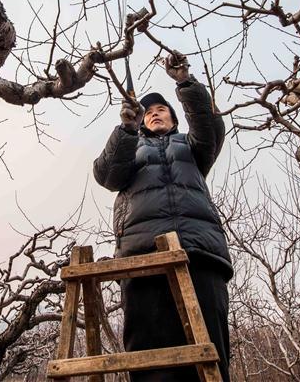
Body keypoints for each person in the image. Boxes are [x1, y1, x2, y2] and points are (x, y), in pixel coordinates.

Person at [93, 53, 232, 381]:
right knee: (151, 361)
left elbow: (211, 127)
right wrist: (126, 129)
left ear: (174, 119)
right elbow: (106, 175)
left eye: (162, 110)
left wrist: (185, 83)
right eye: (149, 112)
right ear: (141, 122)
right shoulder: (131, 149)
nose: (155, 114)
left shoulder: (192, 147)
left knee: (209, 353)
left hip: (199, 253)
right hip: (143, 259)